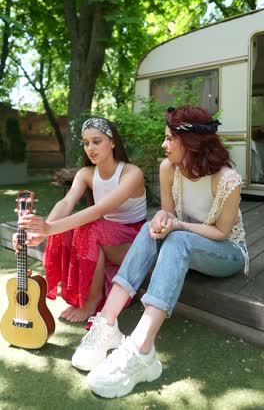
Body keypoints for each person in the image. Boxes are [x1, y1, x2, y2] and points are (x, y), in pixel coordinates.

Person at [68, 105, 248, 399]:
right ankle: (106, 324)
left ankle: (141, 350)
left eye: (169, 139)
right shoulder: (168, 169)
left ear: (190, 143)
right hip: (187, 237)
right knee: (149, 228)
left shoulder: (227, 179)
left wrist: (176, 226)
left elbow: (221, 233)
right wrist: (164, 221)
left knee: (178, 239)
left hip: (227, 252)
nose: (164, 145)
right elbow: (168, 213)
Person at [15, 117, 146, 323]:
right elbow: (66, 203)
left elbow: (99, 210)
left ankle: (92, 301)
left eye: (97, 141)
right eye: (86, 143)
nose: (90, 148)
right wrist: (39, 233)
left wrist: (49, 228)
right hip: (106, 237)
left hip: (134, 243)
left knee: (89, 225)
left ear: (112, 142)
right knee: (73, 225)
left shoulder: (131, 173)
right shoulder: (86, 173)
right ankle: (76, 288)